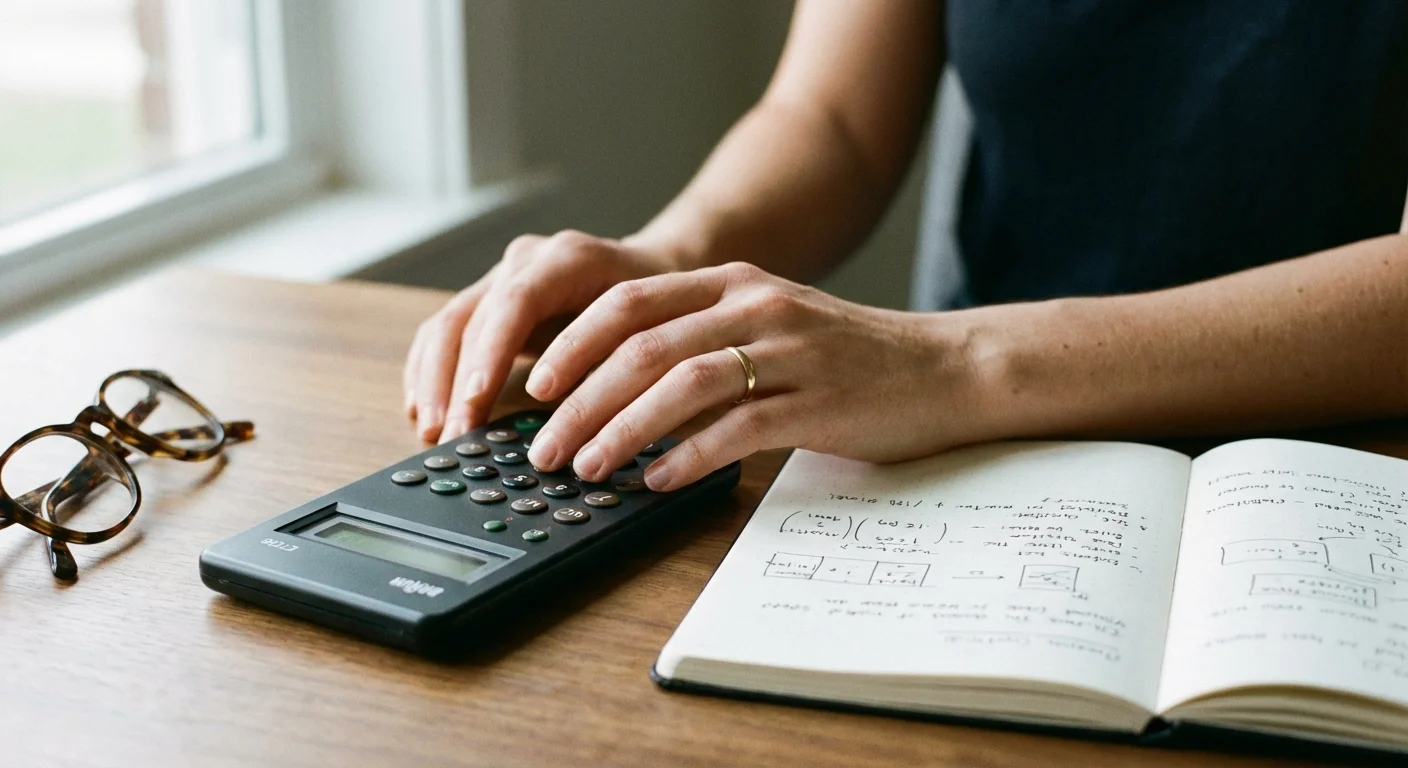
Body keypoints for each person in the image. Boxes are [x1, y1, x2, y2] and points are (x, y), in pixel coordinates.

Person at [402, 1, 1408, 494]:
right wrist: (670, 258)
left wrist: (949, 360)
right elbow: (830, 118)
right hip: (1001, 447)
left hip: (1342, 466)